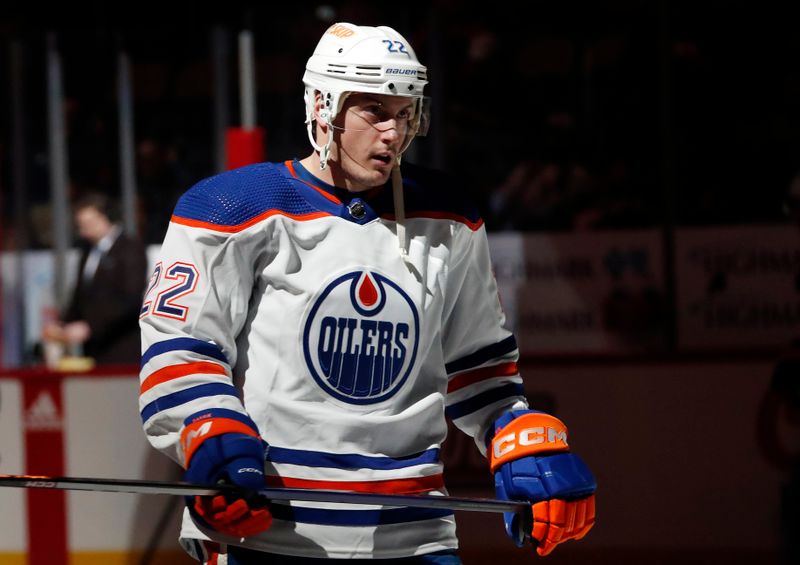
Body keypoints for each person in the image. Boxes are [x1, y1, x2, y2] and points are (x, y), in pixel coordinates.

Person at [138, 23, 596, 564]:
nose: (392, 134)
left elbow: (481, 369)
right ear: (323, 107)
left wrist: (518, 433)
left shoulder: (448, 217)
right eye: (374, 111)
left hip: (414, 536)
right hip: (266, 531)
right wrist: (208, 430)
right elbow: (181, 352)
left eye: (404, 114)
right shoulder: (232, 208)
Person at [43, 193, 148, 365]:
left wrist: (91, 327)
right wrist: (62, 325)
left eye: (89, 223)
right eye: (81, 225)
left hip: (122, 348)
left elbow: (130, 299)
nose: (84, 231)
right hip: (94, 351)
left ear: (105, 218)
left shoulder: (129, 248)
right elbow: (80, 296)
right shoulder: (87, 252)